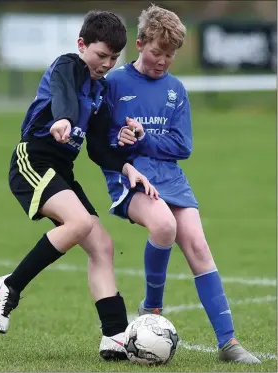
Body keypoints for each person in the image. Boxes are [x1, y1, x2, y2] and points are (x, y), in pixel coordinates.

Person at [0, 10, 159, 361]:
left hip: (62, 171)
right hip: (32, 161)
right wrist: (62, 118)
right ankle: (10, 286)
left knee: (103, 246)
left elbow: (97, 148)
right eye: (101, 55)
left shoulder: (100, 90)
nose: (107, 64)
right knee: (78, 224)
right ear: (82, 45)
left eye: (114, 58)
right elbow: (64, 92)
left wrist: (126, 165)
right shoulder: (68, 66)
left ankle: (113, 337)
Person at [98, 4, 261, 364]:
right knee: (163, 225)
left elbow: (182, 146)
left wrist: (144, 138)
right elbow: (101, 140)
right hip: (130, 176)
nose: (162, 61)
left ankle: (228, 343)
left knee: (200, 248)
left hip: (171, 177)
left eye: (170, 55)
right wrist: (122, 139)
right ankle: (152, 308)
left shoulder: (176, 90)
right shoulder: (115, 84)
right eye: (157, 52)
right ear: (140, 44)